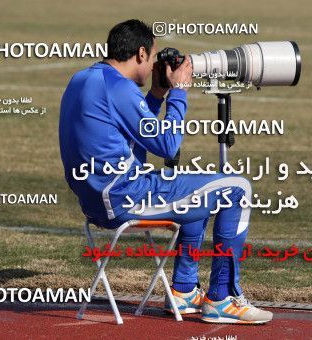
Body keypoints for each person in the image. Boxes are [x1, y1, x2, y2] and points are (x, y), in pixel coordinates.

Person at [59, 19, 272, 324]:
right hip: (126, 198)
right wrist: (180, 91)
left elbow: (129, 132)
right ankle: (223, 298)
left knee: (198, 190)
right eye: (153, 58)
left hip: (98, 200)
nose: (152, 68)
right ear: (141, 53)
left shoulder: (84, 79)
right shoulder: (118, 87)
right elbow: (168, 144)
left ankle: (184, 292)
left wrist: (157, 95)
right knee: (237, 188)